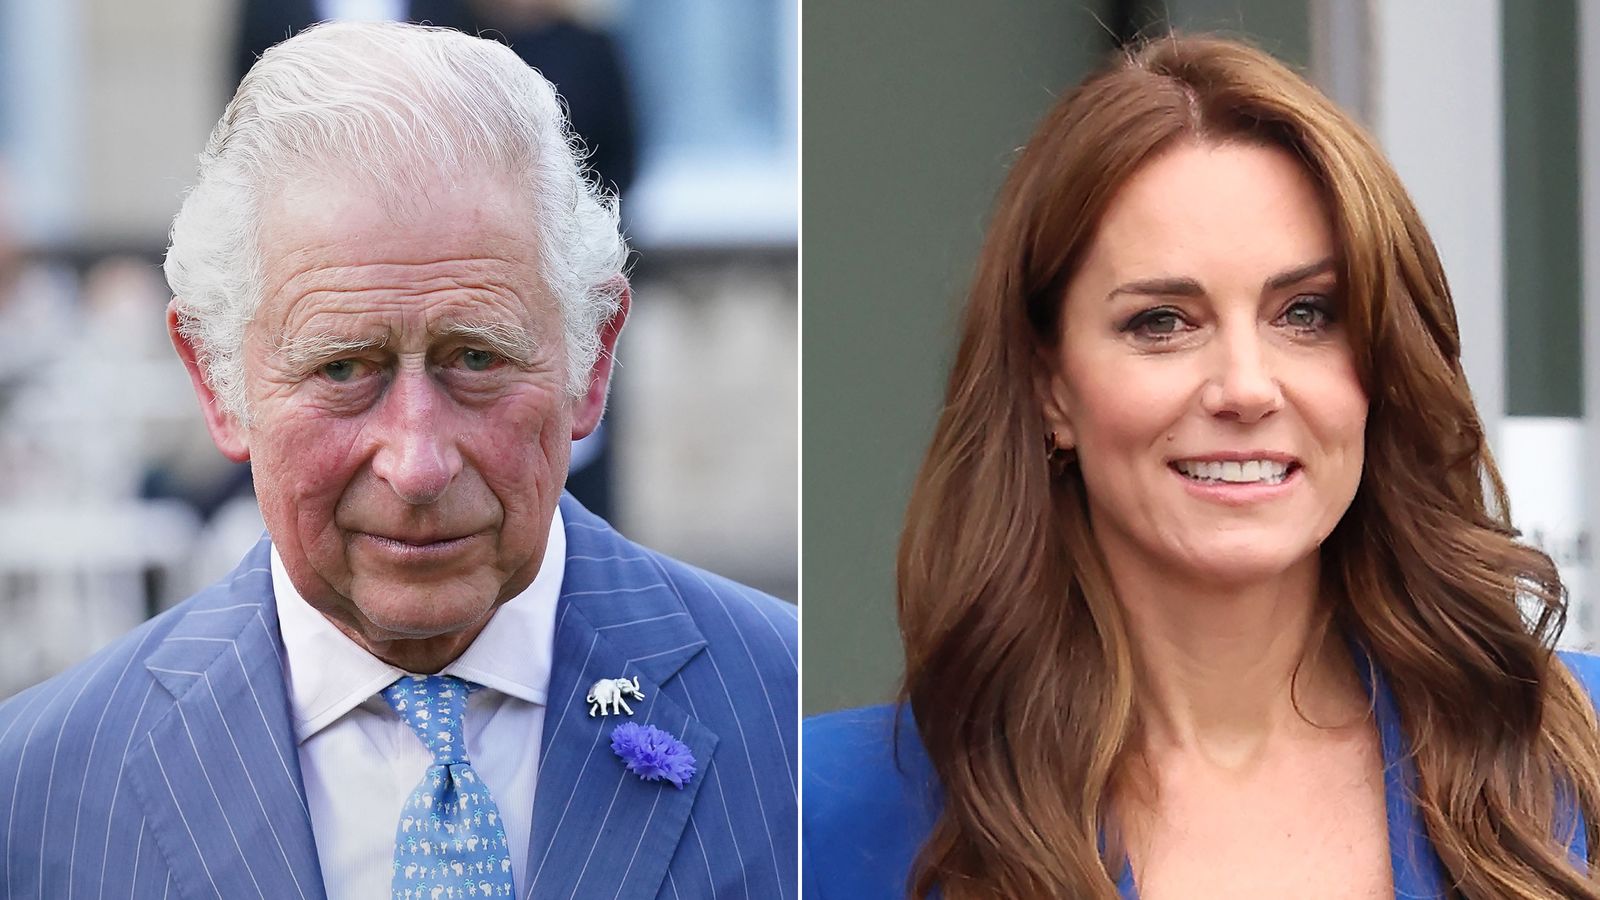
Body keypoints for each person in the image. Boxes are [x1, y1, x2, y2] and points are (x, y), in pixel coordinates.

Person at [0, 22, 796, 899]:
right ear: (219, 381)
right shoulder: (32, 795)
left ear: (592, 360)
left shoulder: (793, 720)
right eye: (342, 369)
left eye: (477, 358)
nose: (417, 464)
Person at [804, 34, 1600, 900]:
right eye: (1162, 322)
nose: (1245, 388)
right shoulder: (822, 815)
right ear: (1050, 386)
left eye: (1306, 312)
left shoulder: (1576, 754)